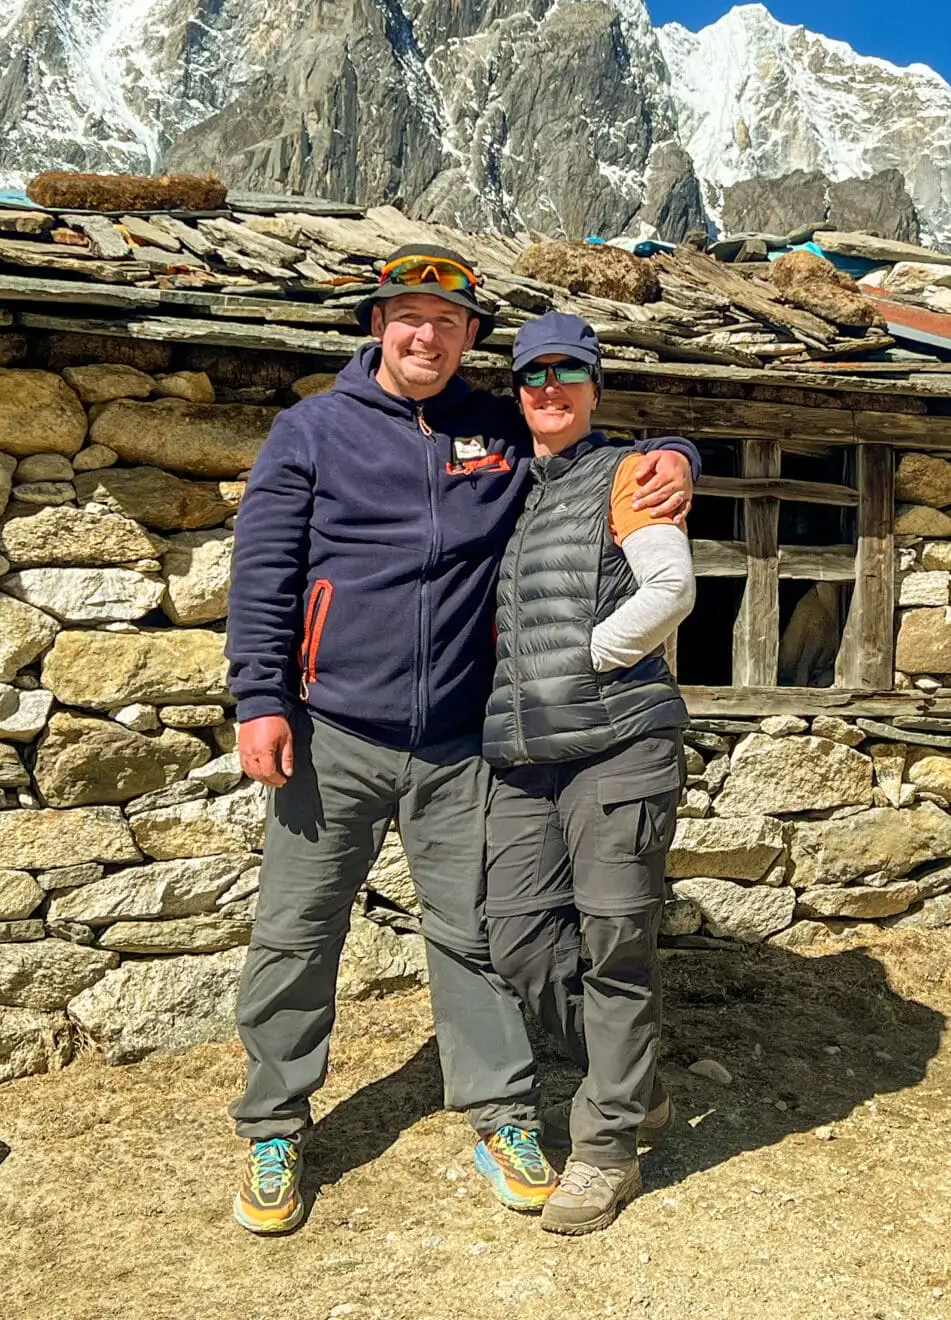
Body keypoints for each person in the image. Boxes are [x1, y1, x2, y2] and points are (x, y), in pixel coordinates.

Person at [222, 245, 698, 1237]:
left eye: (446, 322)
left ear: (471, 336)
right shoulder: (309, 432)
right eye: (406, 315)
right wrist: (260, 698)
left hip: (456, 743)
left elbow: (592, 450)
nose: (424, 334)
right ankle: (274, 1123)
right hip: (331, 733)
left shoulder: (495, 427)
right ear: (376, 324)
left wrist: (678, 457)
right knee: (294, 935)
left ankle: (502, 1112)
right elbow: (264, 574)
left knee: (475, 939)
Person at [479, 312, 695, 1236]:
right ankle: (630, 1080)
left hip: (618, 744)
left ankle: (605, 1148)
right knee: (518, 939)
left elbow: (671, 591)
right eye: (535, 378)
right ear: (519, 391)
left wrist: (597, 653)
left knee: (614, 942)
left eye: (570, 374)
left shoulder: (626, 475)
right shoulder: (511, 491)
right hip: (525, 758)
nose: (551, 390)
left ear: (595, 387)